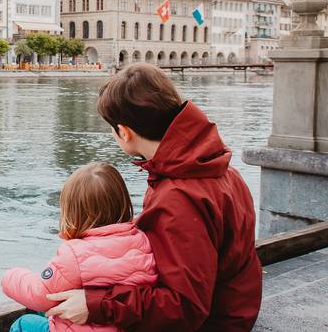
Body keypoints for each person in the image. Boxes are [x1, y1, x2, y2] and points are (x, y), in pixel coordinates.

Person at [46, 63, 262, 331]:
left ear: (124, 132)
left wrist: (97, 304)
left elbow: (185, 307)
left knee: (28, 324)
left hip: (213, 325)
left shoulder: (177, 197)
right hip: (235, 313)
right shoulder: (221, 169)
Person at [1, 162, 158, 332]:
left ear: (72, 213)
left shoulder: (74, 254)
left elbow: (41, 295)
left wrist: (10, 276)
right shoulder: (142, 241)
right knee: (43, 312)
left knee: (24, 324)